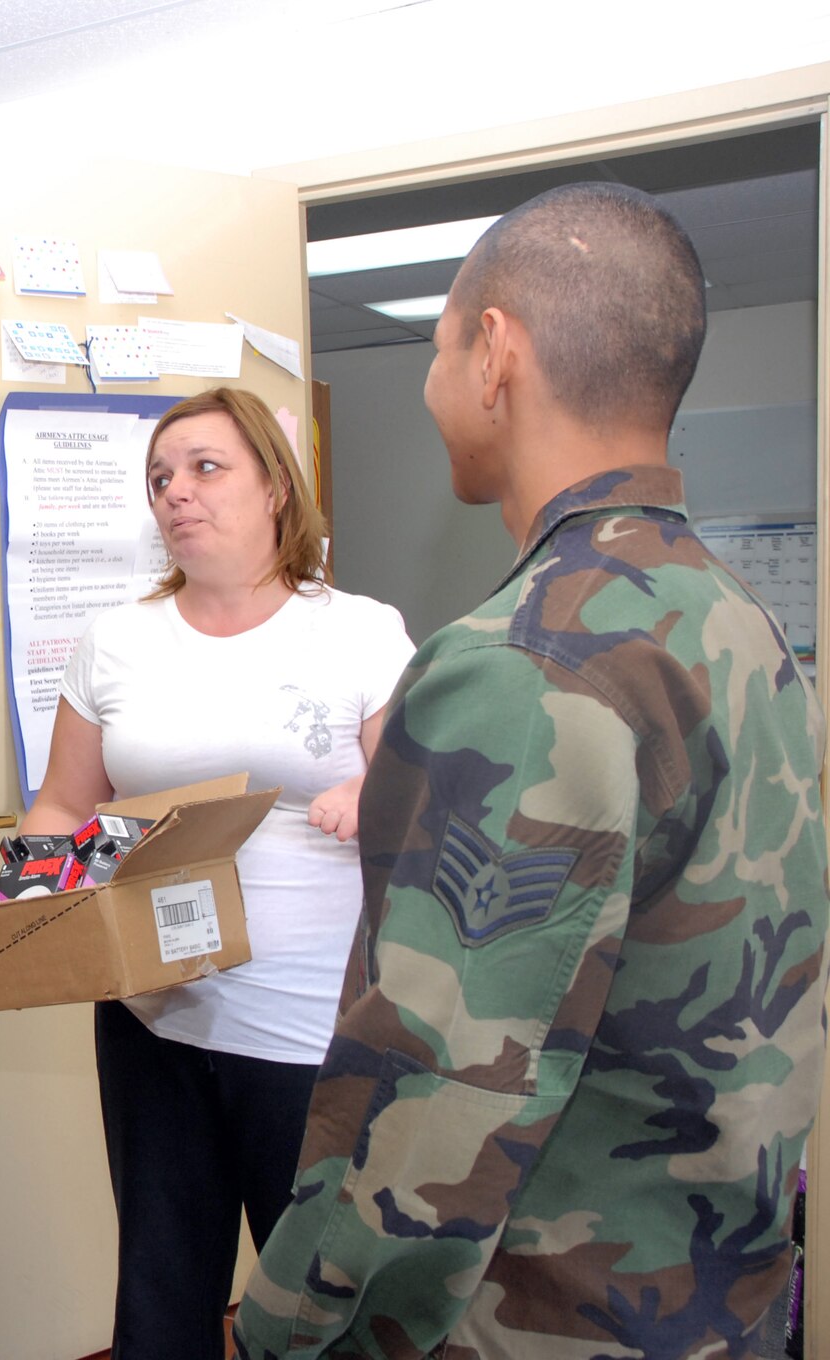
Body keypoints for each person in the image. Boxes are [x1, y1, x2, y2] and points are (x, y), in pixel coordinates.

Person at [234, 184, 829, 1359]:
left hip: (542, 1317)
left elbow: (441, 1097)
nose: (428, 384)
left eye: (436, 347)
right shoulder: (732, 617)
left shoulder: (521, 664)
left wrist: (289, 1323)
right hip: (720, 1298)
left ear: (493, 352)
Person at [18, 386, 413, 1359]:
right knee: (160, 1297)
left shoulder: (359, 631)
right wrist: (34, 908)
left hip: (311, 1029)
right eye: (160, 478)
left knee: (317, 1305)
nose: (175, 492)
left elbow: (428, 795)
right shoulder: (116, 641)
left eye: (204, 467)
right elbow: (62, 806)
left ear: (275, 487)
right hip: (153, 1018)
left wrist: (374, 793)